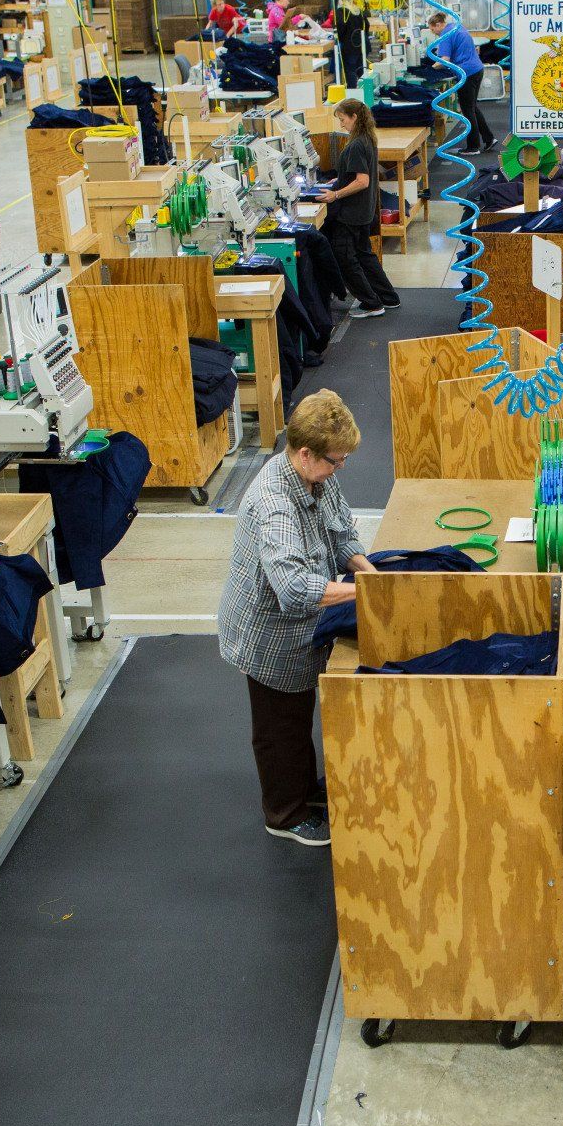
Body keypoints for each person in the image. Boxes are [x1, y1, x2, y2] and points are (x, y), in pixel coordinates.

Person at [219, 391, 374, 846]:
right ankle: (284, 814)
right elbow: (293, 588)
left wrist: (372, 572)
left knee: (297, 715)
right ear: (305, 453)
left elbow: (343, 533)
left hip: (302, 630)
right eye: (334, 460)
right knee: (279, 727)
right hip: (269, 635)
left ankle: (304, 790)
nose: (339, 468)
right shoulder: (275, 506)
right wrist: (367, 592)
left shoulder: (317, 477)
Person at [316, 97, 400, 318]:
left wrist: (335, 194)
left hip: (351, 213)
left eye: (343, 119)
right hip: (364, 210)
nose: (341, 124)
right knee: (365, 255)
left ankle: (371, 303)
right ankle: (388, 297)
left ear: (354, 117)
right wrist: (336, 182)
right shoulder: (367, 139)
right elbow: (355, 176)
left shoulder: (355, 145)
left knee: (345, 257)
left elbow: (362, 181)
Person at [425, 10, 495, 154]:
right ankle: (489, 139)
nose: (433, 33)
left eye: (433, 29)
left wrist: (430, 68)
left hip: (466, 73)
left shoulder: (445, 35)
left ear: (438, 24)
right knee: (473, 107)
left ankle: (473, 147)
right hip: (477, 68)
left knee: (467, 110)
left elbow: (444, 60)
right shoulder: (456, 27)